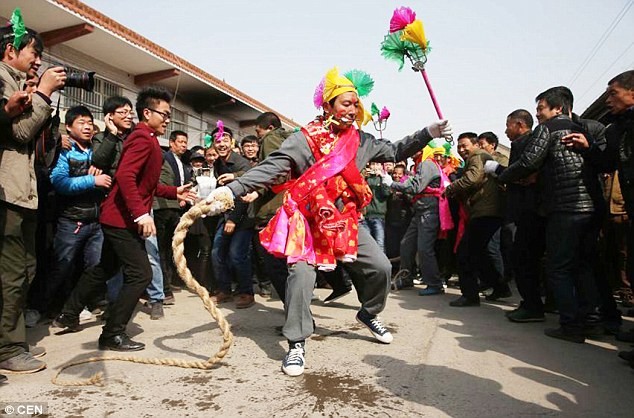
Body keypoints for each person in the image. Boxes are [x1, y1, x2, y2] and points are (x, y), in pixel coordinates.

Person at [204, 67, 452, 376]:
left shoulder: (361, 141)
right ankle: (296, 342)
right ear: (328, 106)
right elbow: (272, 167)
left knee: (381, 268)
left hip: (344, 220)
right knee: (301, 277)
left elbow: (395, 150)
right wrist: (233, 188)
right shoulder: (303, 140)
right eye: (345, 103)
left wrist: (428, 133)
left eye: (355, 103)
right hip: (306, 223)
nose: (352, 109)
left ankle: (369, 312)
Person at [53, 86, 194, 351]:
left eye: (168, 115)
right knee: (140, 274)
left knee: (104, 268)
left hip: (120, 217)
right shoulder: (142, 138)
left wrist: (174, 191)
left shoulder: (148, 138)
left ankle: (68, 314)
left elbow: (144, 185)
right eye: (163, 114)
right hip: (121, 219)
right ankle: (112, 334)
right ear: (147, 112)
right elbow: (125, 177)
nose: (167, 120)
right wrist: (141, 214)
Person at [492, 87, 605, 343]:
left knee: (559, 267)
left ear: (557, 108)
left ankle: (570, 325)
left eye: (541, 108)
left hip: (565, 208)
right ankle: (592, 320)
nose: (538, 114)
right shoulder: (583, 130)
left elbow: (530, 162)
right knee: (583, 265)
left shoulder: (549, 128)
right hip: (589, 206)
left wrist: (502, 173)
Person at [0, 16, 65, 375]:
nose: (38, 61)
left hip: (22, 191)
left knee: (25, 268)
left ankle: (14, 341)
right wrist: (42, 93)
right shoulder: (2, 81)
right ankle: (8, 348)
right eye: (33, 52)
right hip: (7, 191)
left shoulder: (16, 82)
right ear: (11, 50)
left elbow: (40, 146)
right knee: (11, 273)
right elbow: (20, 133)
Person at [46, 106, 111, 317]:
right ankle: (41, 307)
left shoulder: (97, 150)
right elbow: (60, 182)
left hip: (96, 220)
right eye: (81, 123)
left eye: (90, 123)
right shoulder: (64, 150)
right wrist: (93, 180)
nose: (87, 127)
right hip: (72, 219)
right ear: (69, 127)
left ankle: (85, 304)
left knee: (94, 266)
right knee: (61, 266)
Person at [444, 133, 509, 307]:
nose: (461, 149)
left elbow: (472, 178)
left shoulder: (478, 156)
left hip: (484, 212)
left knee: (466, 255)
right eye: (459, 146)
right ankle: (500, 287)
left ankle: (470, 295)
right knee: (483, 254)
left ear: (475, 145)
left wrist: (451, 187)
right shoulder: (479, 157)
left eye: (464, 145)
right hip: (484, 211)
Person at [211, 125, 256, 308]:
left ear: (232, 142)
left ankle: (247, 292)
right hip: (225, 215)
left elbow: (244, 194)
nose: (221, 144)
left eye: (225, 140)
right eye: (217, 141)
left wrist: (232, 219)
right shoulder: (216, 164)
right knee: (217, 252)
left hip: (243, 216)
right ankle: (224, 290)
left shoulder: (241, 163)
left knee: (237, 254)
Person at [153, 130, 191, 305]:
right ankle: (163, 289)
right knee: (160, 249)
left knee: (170, 247)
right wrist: (175, 196)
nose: (183, 145)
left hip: (176, 209)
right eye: (180, 142)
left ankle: (167, 282)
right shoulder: (163, 157)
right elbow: (161, 183)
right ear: (171, 143)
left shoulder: (183, 164)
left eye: (185, 142)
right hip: (162, 207)